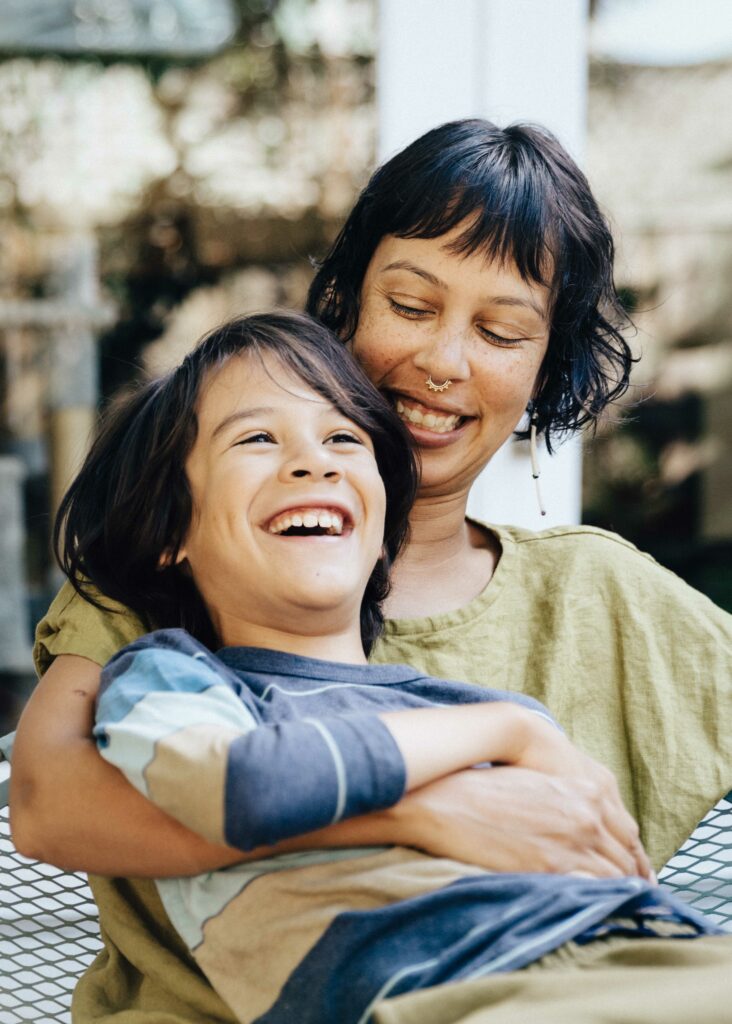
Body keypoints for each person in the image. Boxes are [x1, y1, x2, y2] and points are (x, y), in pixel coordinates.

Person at [10, 121, 732, 1022]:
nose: (443, 361)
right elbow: (48, 807)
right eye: (413, 307)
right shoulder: (184, 571)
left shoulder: (605, 599)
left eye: (502, 331)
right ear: (348, 301)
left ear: (547, 367)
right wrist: (426, 813)